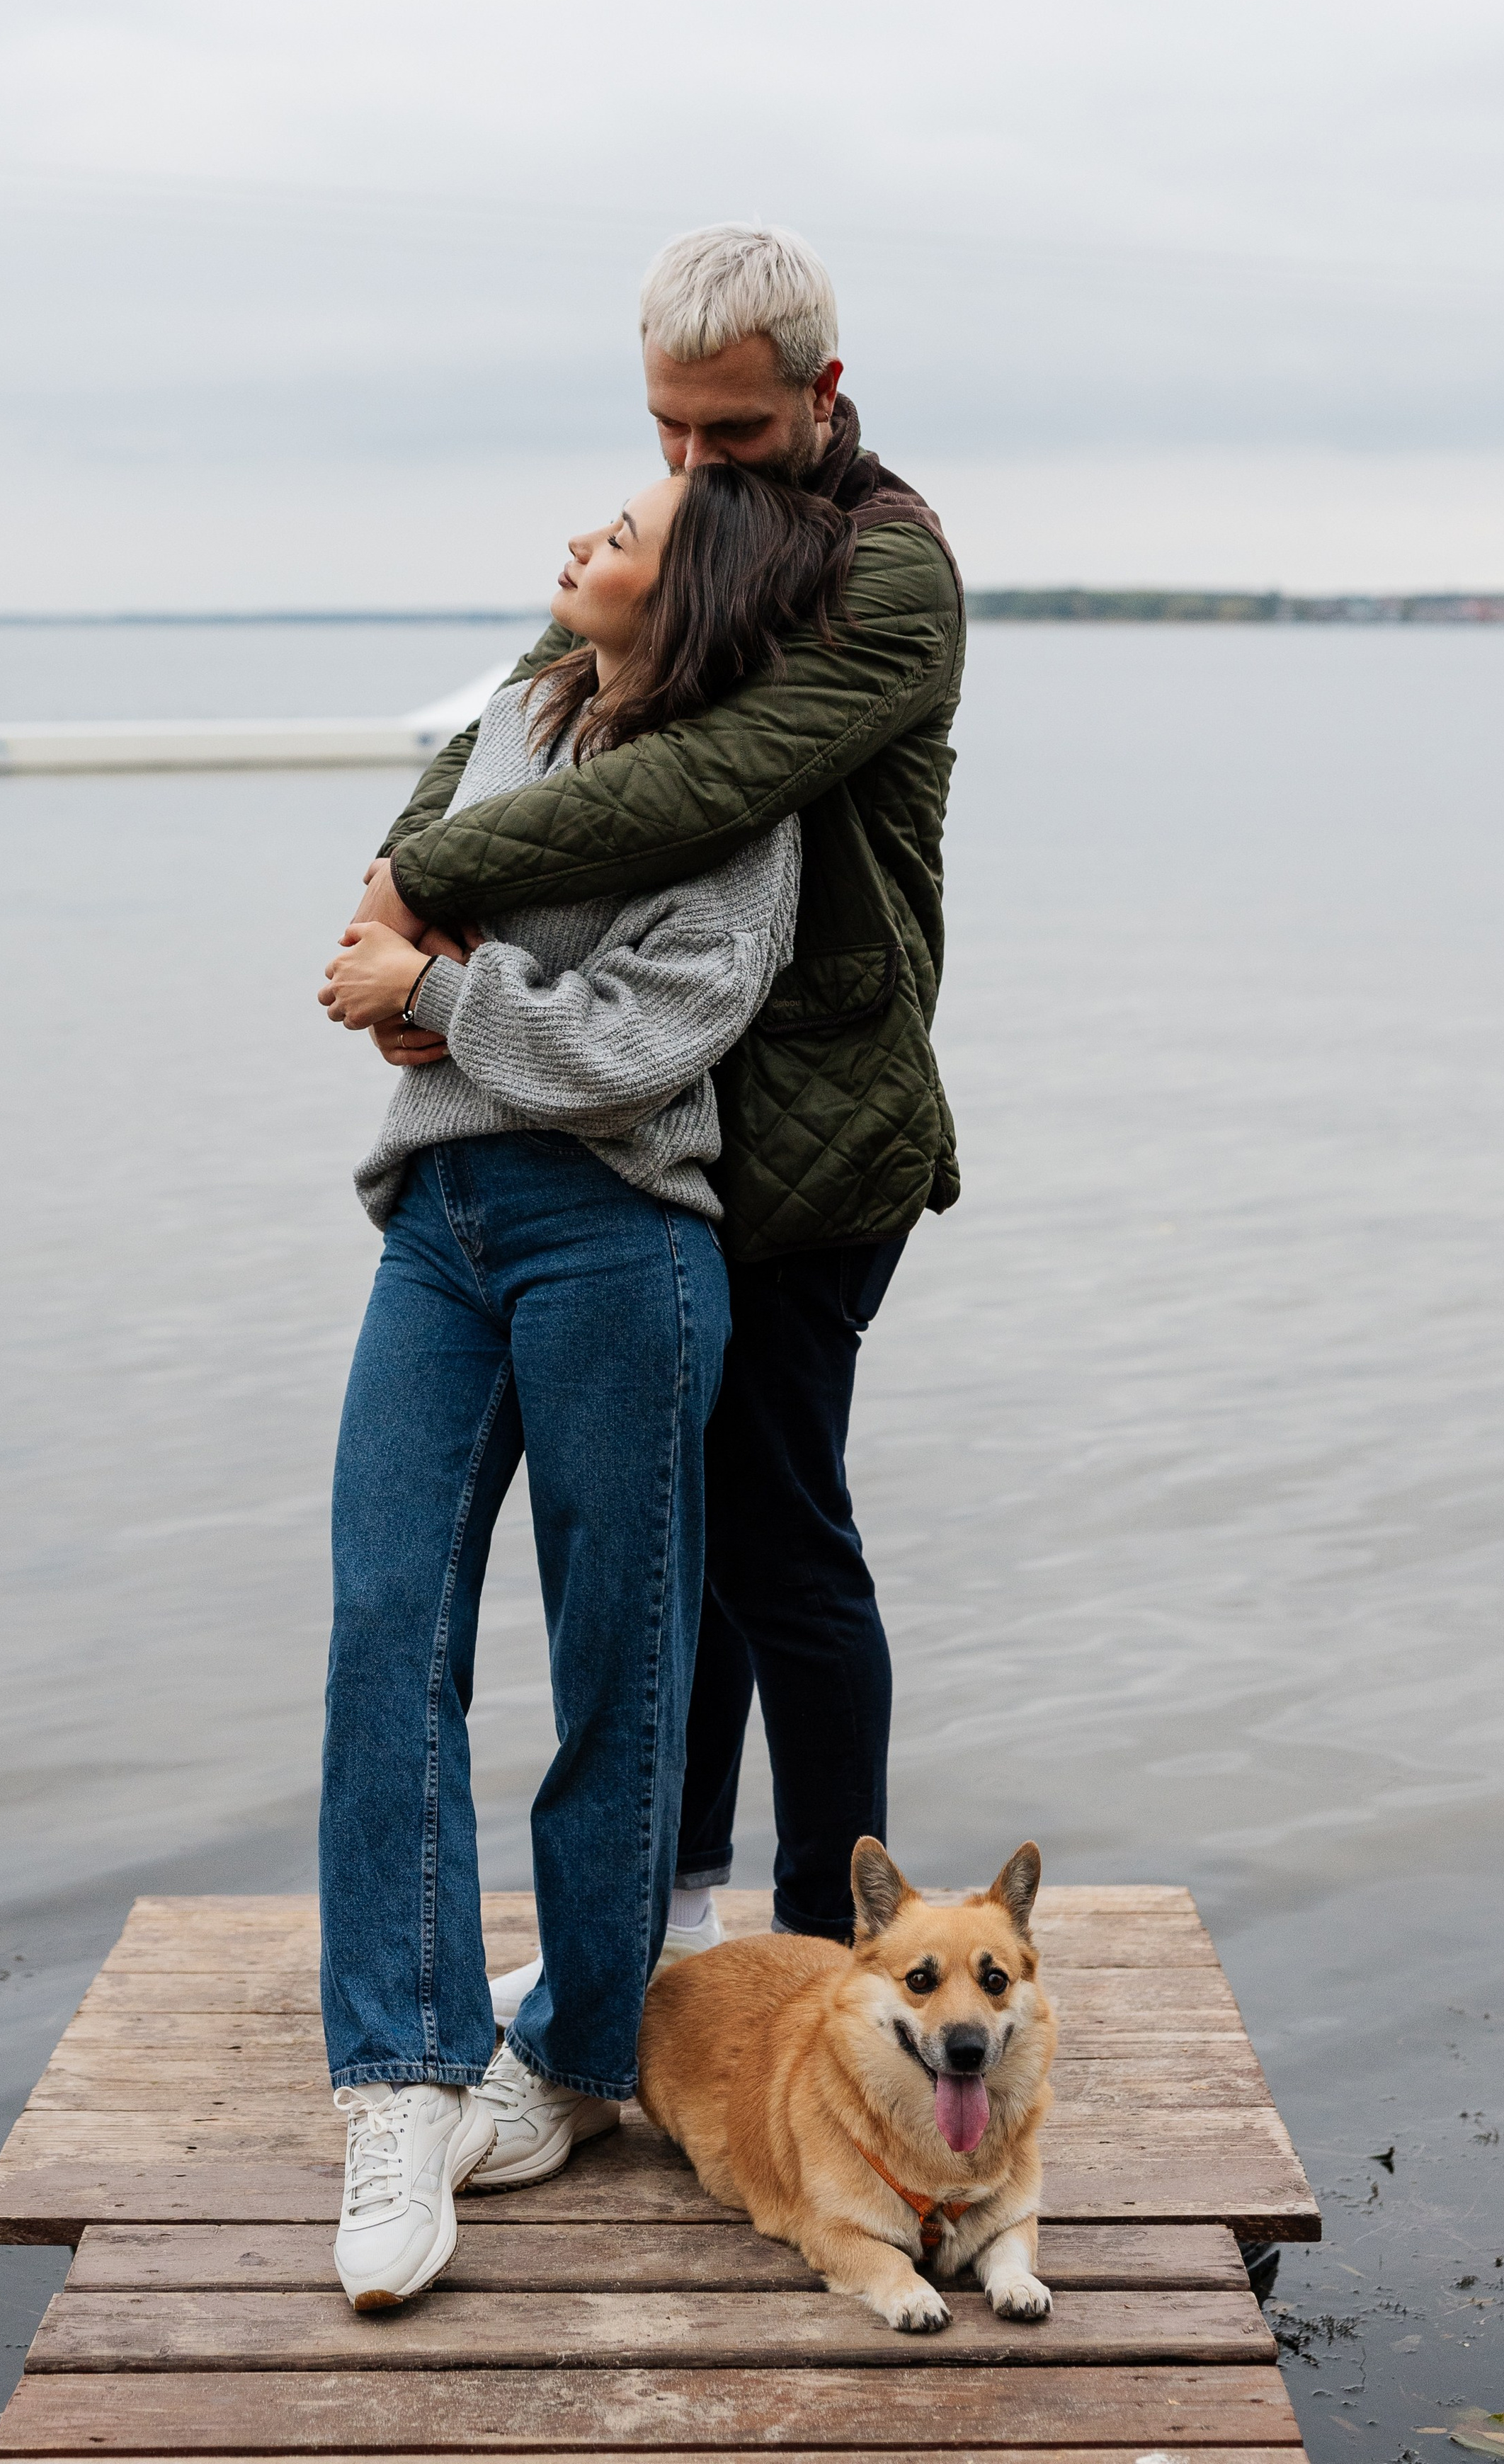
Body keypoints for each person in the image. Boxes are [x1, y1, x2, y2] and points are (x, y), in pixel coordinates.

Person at [349, 224, 964, 1963]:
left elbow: (697, 783)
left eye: (731, 436)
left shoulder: (891, 579)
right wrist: (406, 905)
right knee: (677, 1548)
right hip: (643, 1111)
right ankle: (674, 1918)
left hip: (816, 1129)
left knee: (780, 1536)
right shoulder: (688, 526)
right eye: (664, 432)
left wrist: (436, 914)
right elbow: (514, 715)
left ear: (820, 397)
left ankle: (830, 1948)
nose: (688, 468)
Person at [314, 461, 854, 2310]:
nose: (576, 551)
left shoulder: (737, 803)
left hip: (624, 1239)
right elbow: (396, 920)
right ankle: (401, 2079)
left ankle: (569, 2056)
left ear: (691, 593)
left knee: (623, 1660)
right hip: (437, 1224)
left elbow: (647, 1040)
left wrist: (448, 995)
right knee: (388, 1620)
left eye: (615, 541)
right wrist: (418, 978)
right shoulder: (520, 713)